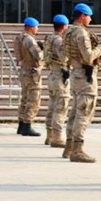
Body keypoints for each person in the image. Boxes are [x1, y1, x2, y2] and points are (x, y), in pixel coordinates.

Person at [62, 3, 101, 163]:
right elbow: (88, 57)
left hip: (75, 73)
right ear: (82, 16)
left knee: (74, 112)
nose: (90, 19)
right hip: (84, 76)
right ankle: (77, 149)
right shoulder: (81, 33)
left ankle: (69, 147)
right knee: (83, 112)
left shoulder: (68, 31)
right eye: (89, 16)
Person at [12, 17, 44, 137]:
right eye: (36, 27)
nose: (37, 29)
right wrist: (43, 49)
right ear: (31, 27)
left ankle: (21, 124)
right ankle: (27, 125)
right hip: (32, 72)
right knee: (34, 99)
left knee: (25, 98)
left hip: (24, 70)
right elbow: (38, 56)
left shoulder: (19, 38)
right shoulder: (29, 40)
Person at [42, 14, 71, 148]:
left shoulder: (49, 38)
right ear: (64, 26)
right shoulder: (59, 40)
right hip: (60, 75)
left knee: (52, 106)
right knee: (61, 107)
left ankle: (49, 135)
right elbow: (64, 57)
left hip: (52, 74)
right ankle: (57, 138)